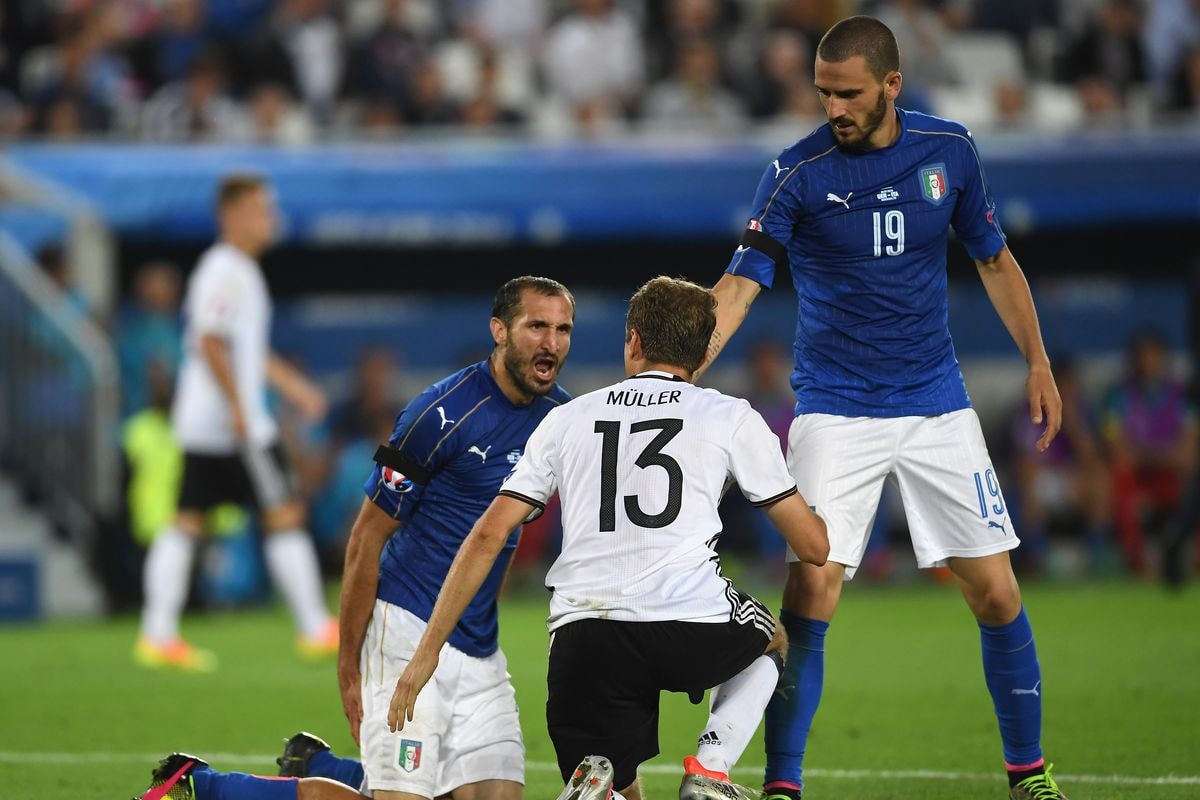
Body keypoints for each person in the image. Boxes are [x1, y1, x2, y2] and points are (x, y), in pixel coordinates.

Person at [697, 16, 1069, 800]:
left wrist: (1037, 360)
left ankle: (1029, 776)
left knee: (997, 592)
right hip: (835, 408)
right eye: (824, 91)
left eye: (849, 92)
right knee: (812, 590)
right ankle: (784, 786)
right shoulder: (795, 173)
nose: (832, 105)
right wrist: (678, 368)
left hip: (937, 403)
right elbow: (737, 287)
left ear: (891, 85)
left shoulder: (950, 151)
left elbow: (995, 261)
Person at [131, 276, 577, 800]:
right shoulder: (439, 415)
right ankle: (205, 787)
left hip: (479, 648)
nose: (552, 342)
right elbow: (366, 538)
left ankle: (322, 765)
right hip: (405, 631)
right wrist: (350, 663)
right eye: (537, 326)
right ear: (499, 331)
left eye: (564, 329)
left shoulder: (562, 422)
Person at [387, 277, 829, 800]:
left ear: (634, 341)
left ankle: (604, 781)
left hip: (584, 639)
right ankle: (710, 766)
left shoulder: (566, 418)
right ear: (703, 346)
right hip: (691, 624)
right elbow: (814, 549)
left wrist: (425, 654)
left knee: (611, 772)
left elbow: (488, 534)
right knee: (772, 636)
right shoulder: (731, 415)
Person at [135, 173, 336, 672]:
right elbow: (209, 341)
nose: (270, 218)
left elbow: (244, 349)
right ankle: (314, 628)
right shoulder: (226, 269)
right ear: (232, 216)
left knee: (188, 520)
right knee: (284, 513)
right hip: (234, 426)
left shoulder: (233, 269)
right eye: (261, 209)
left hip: (205, 423)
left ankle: (156, 634)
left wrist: (295, 388)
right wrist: (243, 410)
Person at [1102, 330, 1196, 575]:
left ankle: (1192, 557)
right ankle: (1137, 560)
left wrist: (1151, 456)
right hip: (1137, 478)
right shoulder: (1118, 396)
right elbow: (1118, 448)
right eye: (1143, 356)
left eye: (1154, 356)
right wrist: (1158, 456)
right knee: (1118, 474)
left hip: (1171, 476)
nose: (1149, 362)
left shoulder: (1182, 396)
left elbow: (1188, 453)